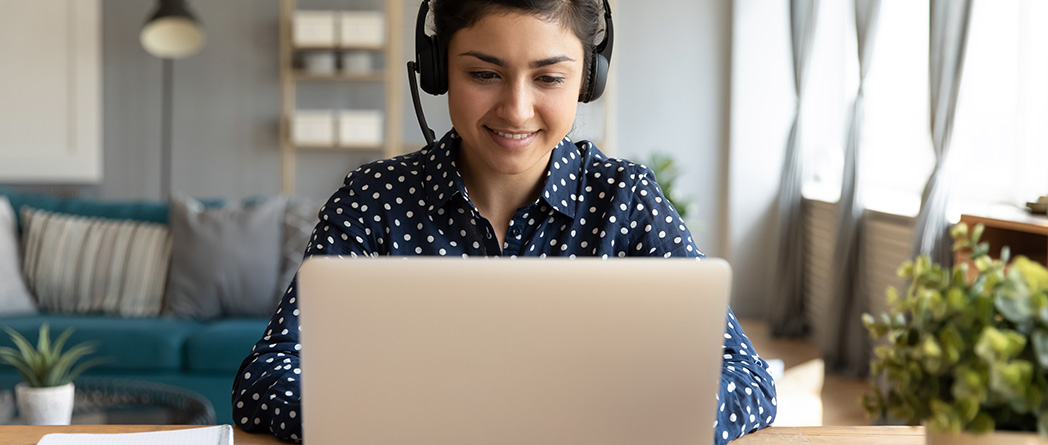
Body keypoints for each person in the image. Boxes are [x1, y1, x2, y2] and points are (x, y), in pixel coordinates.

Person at [232, 0, 777, 443]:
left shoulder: (626, 201)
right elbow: (267, 377)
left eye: (549, 78)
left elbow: (744, 376)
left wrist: (620, 424)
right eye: (484, 73)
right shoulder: (372, 201)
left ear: (589, 78)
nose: (516, 109)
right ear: (438, 69)